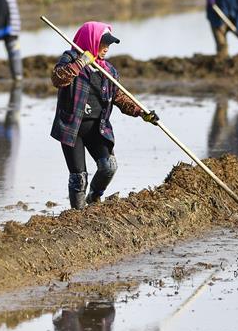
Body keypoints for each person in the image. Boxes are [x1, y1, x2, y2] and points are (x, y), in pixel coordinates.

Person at [50, 22, 159, 209]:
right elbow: (58, 79)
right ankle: (77, 214)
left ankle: (94, 197)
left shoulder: (109, 71)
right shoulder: (71, 58)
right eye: (103, 43)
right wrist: (80, 63)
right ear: (91, 40)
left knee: (109, 167)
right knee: (78, 178)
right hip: (72, 129)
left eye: (109, 44)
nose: (107, 48)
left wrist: (142, 112)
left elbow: (120, 97)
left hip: (97, 129)